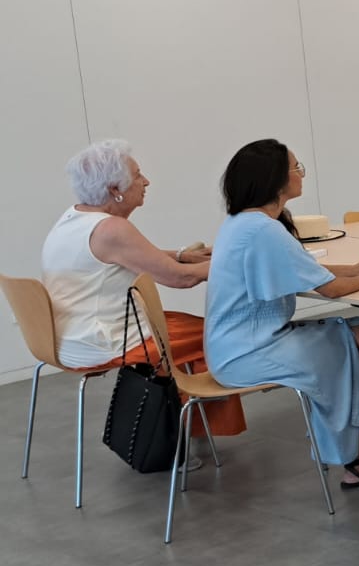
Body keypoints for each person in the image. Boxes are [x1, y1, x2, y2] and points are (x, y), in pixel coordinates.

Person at [204, 139, 359, 488]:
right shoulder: (263, 230)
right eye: (296, 168)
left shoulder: (244, 222)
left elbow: (309, 271)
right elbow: (330, 289)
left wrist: (358, 269)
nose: (301, 174)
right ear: (275, 179)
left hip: (238, 345)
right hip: (248, 352)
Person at [40, 139, 246, 436]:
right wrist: (241, 259)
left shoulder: (76, 217)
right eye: (137, 175)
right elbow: (182, 279)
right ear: (115, 189)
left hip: (69, 337)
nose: (146, 181)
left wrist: (181, 255)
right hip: (103, 342)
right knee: (215, 335)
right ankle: (187, 429)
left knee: (193, 328)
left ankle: (187, 426)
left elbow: (127, 255)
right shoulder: (111, 229)